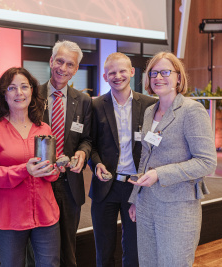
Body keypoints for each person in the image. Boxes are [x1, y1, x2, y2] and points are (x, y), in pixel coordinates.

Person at [128, 52, 217, 266]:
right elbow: (145, 157)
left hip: (178, 206)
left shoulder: (192, 110)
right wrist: (134, 198)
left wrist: (160, 174)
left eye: (165, 72)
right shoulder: (150, 111)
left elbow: (206, 161)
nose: (158, 77)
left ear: (179, 77)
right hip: (146, 203)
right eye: (154, 73)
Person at [0, 67, 64, 267]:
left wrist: (56, 168)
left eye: (24, 87)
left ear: (32, 91)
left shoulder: (44, 128)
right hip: (10, 216)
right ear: (3, 94)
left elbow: (51, 174)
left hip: (46, 213)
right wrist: (24, 170)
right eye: (12, 88)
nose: (19, 93)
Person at [88, 52, 156, 267]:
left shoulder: (149, 105)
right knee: (104, 250)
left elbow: (154, 147)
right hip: (104, 186)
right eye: (112, 73)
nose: (117, 76)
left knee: (134, 250)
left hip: (136, 187)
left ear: (132, 72)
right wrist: (96, 162)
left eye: (122, 71)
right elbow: (90, 143)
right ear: (105, 76)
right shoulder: (96, 105)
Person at [38, 40, 92, 266]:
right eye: (59, 61)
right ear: (51, 61)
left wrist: (82, 153)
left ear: (76, 69)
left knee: (68, 247)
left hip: (70, 183)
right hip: (39, 182)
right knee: (40, 245)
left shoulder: (84, 101)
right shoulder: (32, 95)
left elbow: (87, 139)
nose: (63, 68)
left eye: (70, 64)